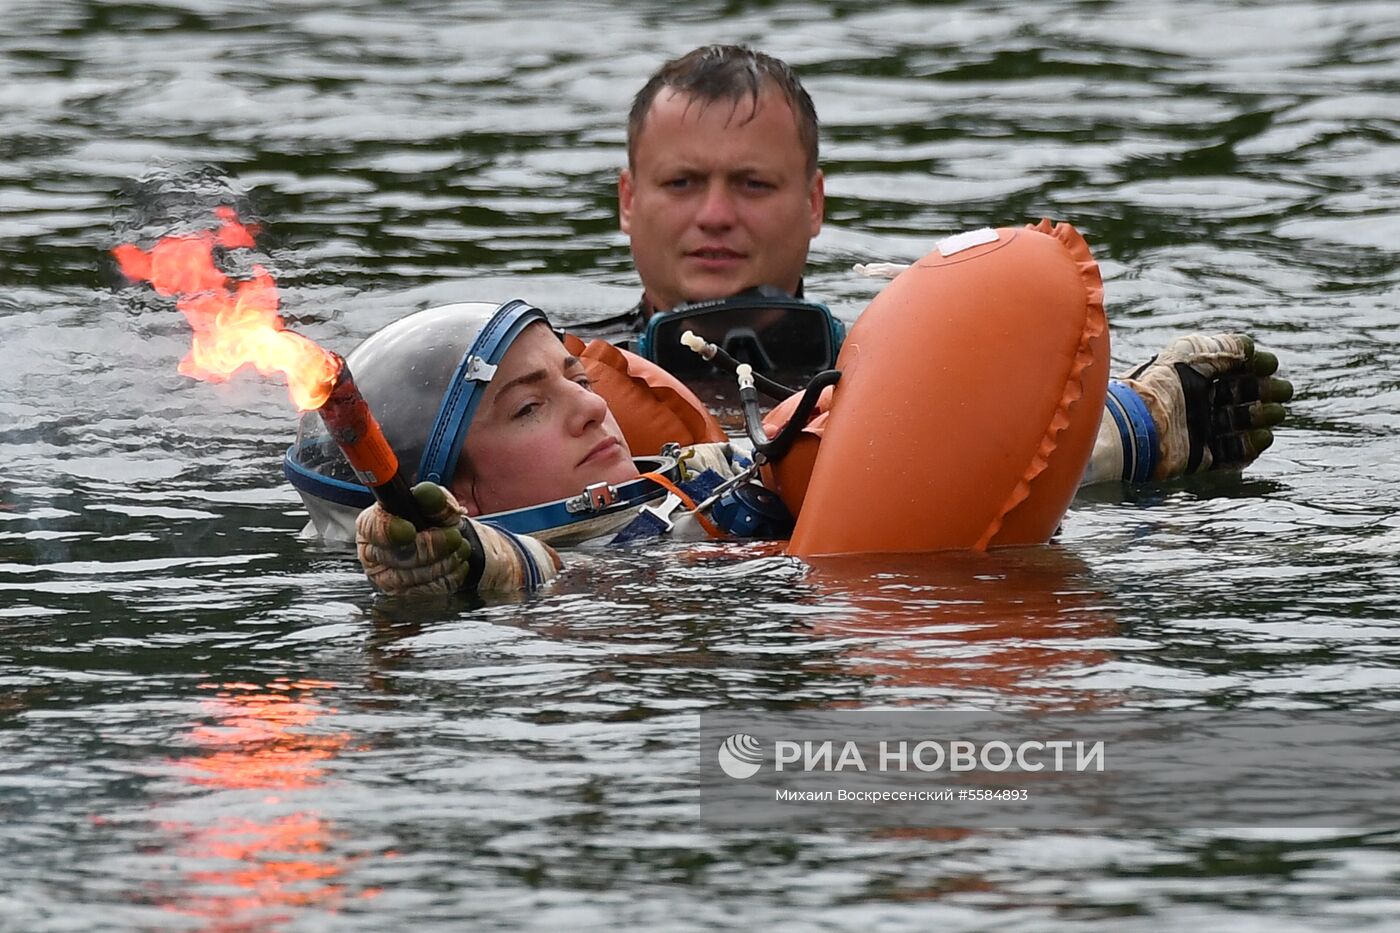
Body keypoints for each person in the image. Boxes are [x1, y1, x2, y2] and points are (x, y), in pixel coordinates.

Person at [586, 44, 1291, 484]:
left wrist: (1134, 425)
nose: (714, 215)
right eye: (682, 183)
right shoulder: (562, 384)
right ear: (627, 201)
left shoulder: (898, 366)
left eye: (753, 183)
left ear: (813, 203)